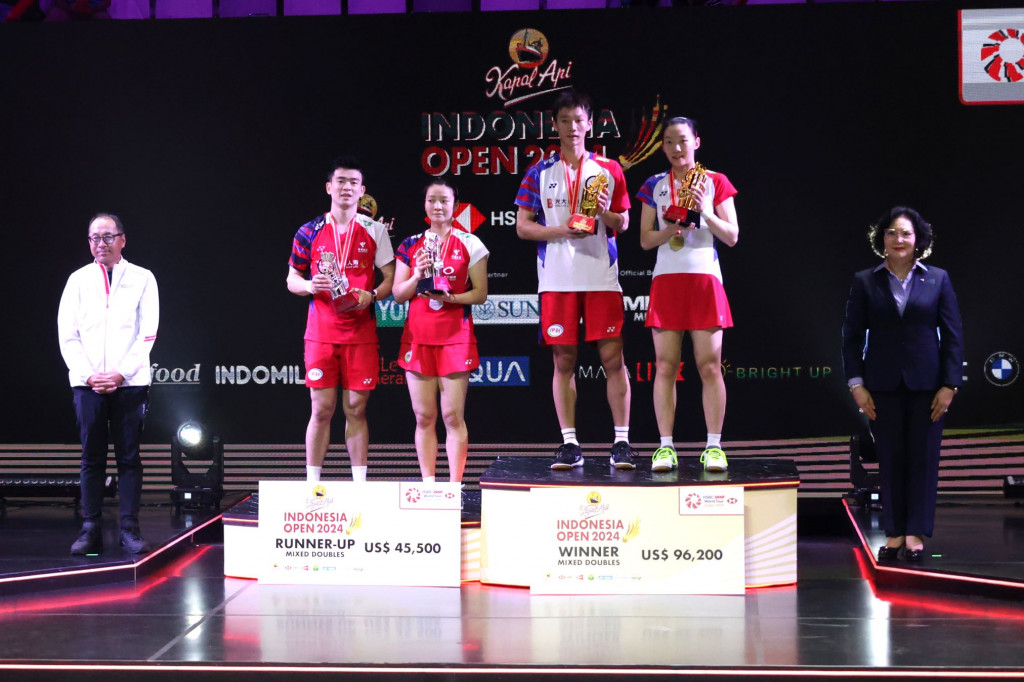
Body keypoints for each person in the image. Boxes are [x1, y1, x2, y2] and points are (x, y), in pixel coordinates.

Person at [515, 89, 635, 471]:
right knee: (563, 360)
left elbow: (624, 222)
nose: (572, 127)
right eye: (564, 120)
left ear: (589, 123)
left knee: (612, 358)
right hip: (557, 279)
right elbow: (522, 228)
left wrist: (605, 213)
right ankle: (570, 443)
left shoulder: (608, 170)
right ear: (555, 125)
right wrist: (562, 231)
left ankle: (622, 441)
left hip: (601, 276)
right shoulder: (539, 172)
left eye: (578, 119)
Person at [842, 207, 963, 562]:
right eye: (892, 233)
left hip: (930, 386)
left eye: (906, 234)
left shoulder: (938, 279)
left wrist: (950, 385)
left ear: (918, 240)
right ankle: (894, 533)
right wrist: (856, 384)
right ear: (883, 239)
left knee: (923, 459)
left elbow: (954, 336)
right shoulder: (865, 280)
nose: (899, 240)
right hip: (880, 385)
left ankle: (915, 533)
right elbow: (851, 337)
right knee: (890, 460)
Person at [637, 117, 739, 474]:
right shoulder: (653, 184)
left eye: (682, 140)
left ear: (696, 141)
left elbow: (732, 236)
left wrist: (706, 211)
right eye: (668, 142)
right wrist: (672, 228)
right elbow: (645, 240)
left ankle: (714, 446)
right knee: (665, 366)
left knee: (709, 366)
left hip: (704, 280)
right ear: (662, 146)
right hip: (667, 280)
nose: (676, 148)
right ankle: (665, 447)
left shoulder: (715, 182)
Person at [286, 156, 395, 483]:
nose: (346, 188)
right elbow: (291, 278)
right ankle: (313, 485)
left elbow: (389, 277)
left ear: (362, 191)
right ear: (329, 187)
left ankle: (359, 486)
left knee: (356, 410)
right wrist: (308, 285)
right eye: (341, 182)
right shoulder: (309, 231)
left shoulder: (375, 230)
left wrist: (372, 295)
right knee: (320, 410)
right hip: (320, 333)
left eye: (353, 183)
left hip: (360, 333)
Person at [58, 213, 159, 555]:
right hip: (86, 384)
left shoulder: (143, 278)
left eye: (106, 237)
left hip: (129, 384)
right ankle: (91, 529)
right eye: (93, 238)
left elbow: (148, 334)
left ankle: (130, 528)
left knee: (129, 457)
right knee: (91, 458)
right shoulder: (77, 280)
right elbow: (67, 336)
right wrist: (89, 375)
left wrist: (120, 374)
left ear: (122, 240)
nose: (99, 244)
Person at [392, 180, 489, 483]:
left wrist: (451, 299)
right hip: (418, 338)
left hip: (455, 339)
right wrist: (418, 274)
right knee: (424, 417)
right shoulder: (410, 245)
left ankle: (454, 487)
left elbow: (481, 293)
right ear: (425, 206)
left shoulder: (470, 243)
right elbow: (398, 293)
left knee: (452, 416)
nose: (437, 206)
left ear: (454, 206)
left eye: (444, 201)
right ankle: (429, 485)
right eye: (432, 200)